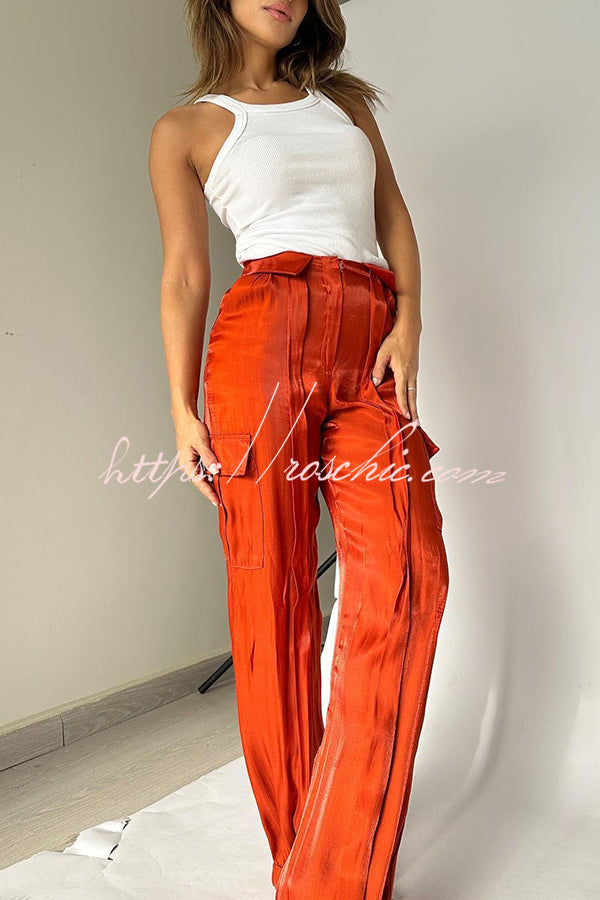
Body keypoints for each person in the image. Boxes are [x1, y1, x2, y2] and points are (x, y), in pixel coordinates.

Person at [148, 1, 450, 897]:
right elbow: (185, 274)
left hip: (367, 341)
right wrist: (181, 411)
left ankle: (326, 873)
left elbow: (391, 215)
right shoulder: (185, 128)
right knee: (272, 601)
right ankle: (308, 868)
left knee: (411, 573)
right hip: (260, 338)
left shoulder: (343, 104)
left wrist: (409, 320)